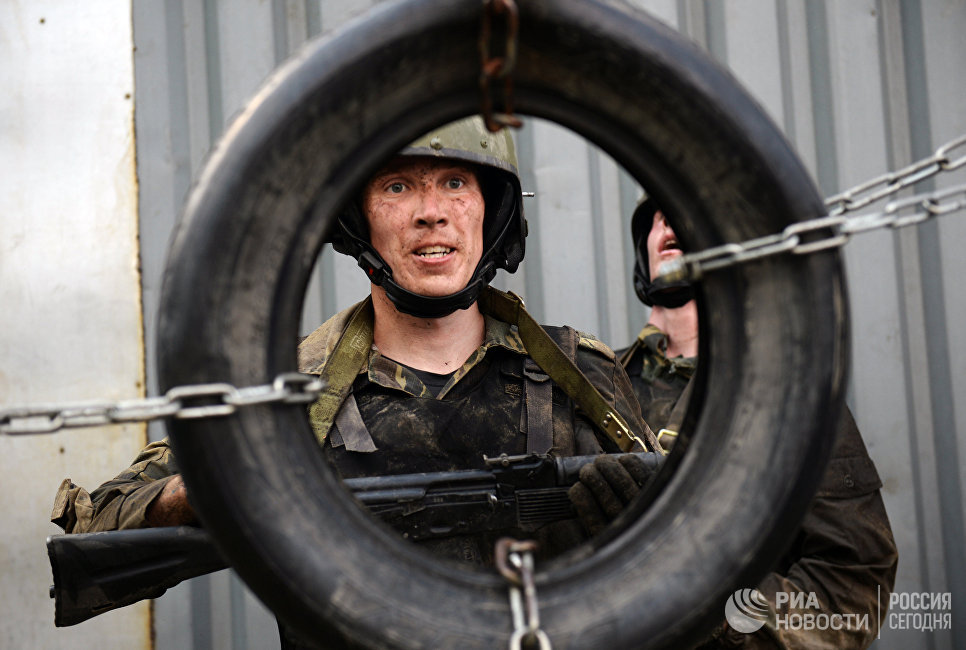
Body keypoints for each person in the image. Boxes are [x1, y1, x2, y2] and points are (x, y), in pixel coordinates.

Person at [51, 116, 658, 563]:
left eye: (455, 183)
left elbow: (706, 573)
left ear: (490, 211)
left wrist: (642, 531)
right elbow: (99, 522)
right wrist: (212, 491)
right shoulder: (285, 397)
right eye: (397, 187)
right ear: (356, 219)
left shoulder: (582, 379)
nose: (431, 212)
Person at [616, 197, 899, 649]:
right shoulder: (594, 387)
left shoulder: (787, 393)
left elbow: (853, 580)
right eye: (656, 216)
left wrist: (720, 611)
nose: (668, 220)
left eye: (684, 208)